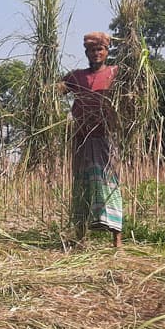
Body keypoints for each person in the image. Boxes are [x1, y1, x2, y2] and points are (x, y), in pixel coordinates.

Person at [59, 31, 123, 247]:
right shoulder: (76, 76)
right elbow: (54, 91)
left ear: (106, 51)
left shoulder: (116, 73)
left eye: (100, 49)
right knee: (82, 185)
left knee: (109, 183)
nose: (96, 53)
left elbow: (134, 90)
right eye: (91, 50)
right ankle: (80, 236)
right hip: (81, 137)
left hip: (106, 136)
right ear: (86, 52)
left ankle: (117, 240)